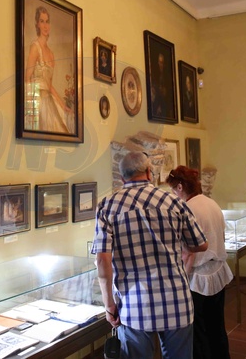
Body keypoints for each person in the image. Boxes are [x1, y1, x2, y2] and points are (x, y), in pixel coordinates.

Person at [92, 152, 209, 359]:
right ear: (148, 172)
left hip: (134, 303)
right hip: (176, 299)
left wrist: (109, 304)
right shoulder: (173, 201)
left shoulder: (107, 205)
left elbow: (102, 259)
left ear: (122, 178)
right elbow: (201, 244)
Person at [166, 166, 232, 359]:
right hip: (217, 271)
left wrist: (181, 281)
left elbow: (189, 252)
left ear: (179, 187)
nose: (173, 194)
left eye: (172, 189)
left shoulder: (187, 209)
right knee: (217, 326)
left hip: (197, 278)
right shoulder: (211, 202)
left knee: (198, 332)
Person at [24, 6, 72, 133]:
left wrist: (63, 105)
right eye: (42, 21)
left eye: (47, 21)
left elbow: (49, 85)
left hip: (48, 100)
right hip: (37, 100)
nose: (45, 26)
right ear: (37, 24)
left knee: (61, 129)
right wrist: (31, 110)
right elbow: (27, 78)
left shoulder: (51, 53)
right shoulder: (35, 47)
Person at [151, 53, 173, 118]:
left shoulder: (167, 76)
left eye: (162, 63)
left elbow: (169, 92)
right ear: (158, 62)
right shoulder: (155, 74)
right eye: (160, 62)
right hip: (157, 101)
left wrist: (165, 91)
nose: (161, 65)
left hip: (164, 103)